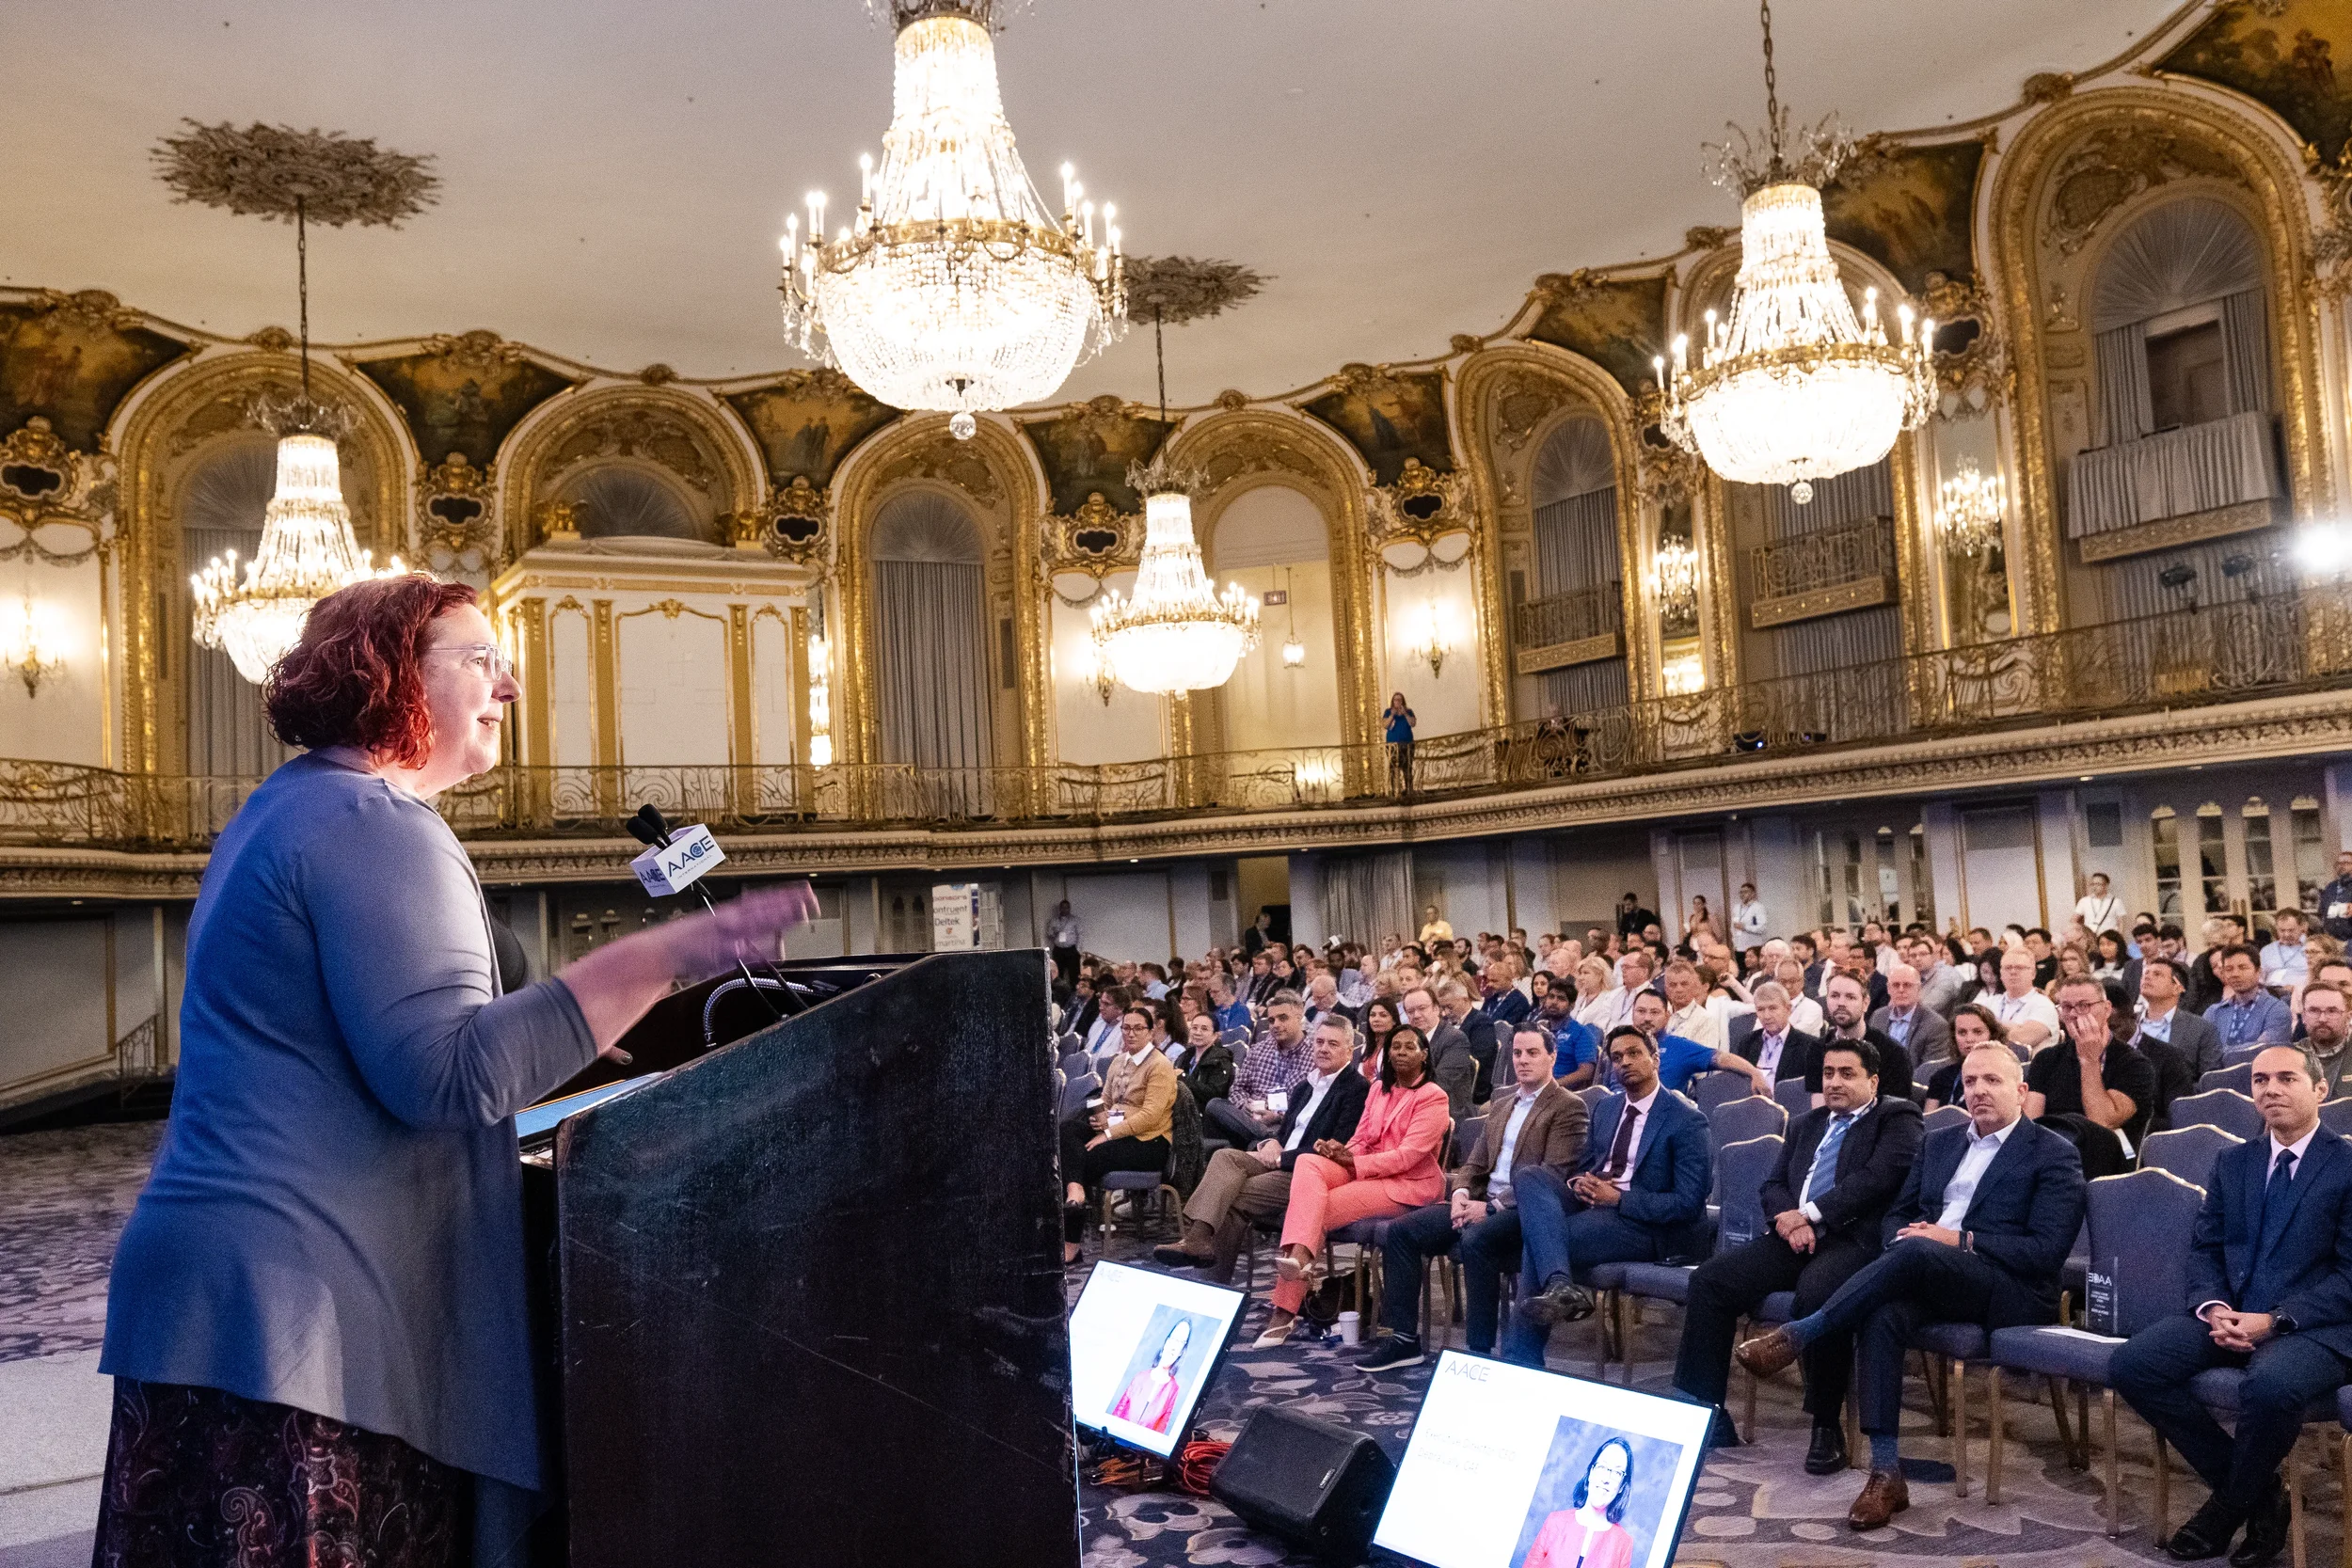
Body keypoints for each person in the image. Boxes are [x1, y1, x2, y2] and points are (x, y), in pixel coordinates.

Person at [93, 577, 820, 1567]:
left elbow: (353, 1053)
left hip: (229, 1304)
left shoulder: (291, 809)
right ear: (390, 673)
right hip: (301, 1316)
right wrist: (674, 952)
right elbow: (446, 1078)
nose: (508, 685)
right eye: (479, 657)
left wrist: (555, 1031)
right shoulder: (373, 822)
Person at [1734, 1046, 2087, 1531]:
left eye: (1993, 1081)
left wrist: (1955, 1239)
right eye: (1970, 1081)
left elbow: (2045, 1252)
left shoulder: (2053, 1153)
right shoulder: (1940, 1143)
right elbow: (1898, 1214)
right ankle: (1886, 1472)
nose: (1979, 1090)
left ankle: (1803, 1332)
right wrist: (1903, 1239)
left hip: (2007, 1285)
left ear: (2022, 1092)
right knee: (1884, 1313)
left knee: (1917, 1252)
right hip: (1923, 1270)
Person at [2110, 1044, 2352, 1568]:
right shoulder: (2235, 1161)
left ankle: (2224, 1510)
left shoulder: (2347, 1164)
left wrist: (2275, 1321)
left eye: (2286, 1078)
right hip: (2235, 1311)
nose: (2270, 1089)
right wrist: (2215, 1308)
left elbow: (2350, 1276)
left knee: (2268, 1386)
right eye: (2260, 1079)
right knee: (2135, 1364)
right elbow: (2207, 1247)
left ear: (2320, 1090)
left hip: (2318, 1326)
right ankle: (2259, 1495)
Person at [1673, 1038, 1925, 1467]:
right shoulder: (1808, 1123)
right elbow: (1772, 1185)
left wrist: (1809, 1214)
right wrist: (1789, 1220)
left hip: (1853, 1241)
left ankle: (1825, 1424)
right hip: (1791, 1237)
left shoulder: (1897, 1118)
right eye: (1828, 1074)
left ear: (1873, 1080)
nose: (1835, 1083)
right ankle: (1707, 1411)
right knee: (1710, 1280)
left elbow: (1877, 1180)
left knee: (1817, 1295)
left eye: (1847, 1074)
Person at [1359, 1027, 1590, 1369]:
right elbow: (1474, 1163)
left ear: (1552, 1057)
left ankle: (1479, 1351)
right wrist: (1461, 1195)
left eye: (1532, 1053)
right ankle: (1405, 1339)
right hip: (1478, 1200)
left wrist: (1494, 1207)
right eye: (1517, 1053)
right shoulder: (1502, 1103)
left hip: (1523, 1209)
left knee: (1477, 1238)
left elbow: (1552, 1177)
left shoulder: (1569, 1107)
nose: (1522, 1060)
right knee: (1403, 1231)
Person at [1500, 1028, 1714, 1365]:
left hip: (1645, 1224)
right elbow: (1585, 1166)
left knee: (1540, 1240)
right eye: (1616, 1058)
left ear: (1655, 1060)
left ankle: (1523, 1359)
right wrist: (1579, 1184)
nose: (1625, 1062)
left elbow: (1689, 1203)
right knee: (1531, 1176)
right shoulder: (1607, 1108)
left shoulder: (1686, 1120)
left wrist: (1618, 1199)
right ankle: (1559, 1291)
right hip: (1597, 1206)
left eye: (1634, 1054)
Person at [1255, 1025, 1450, 1347]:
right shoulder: (1377, 1089)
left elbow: (1408, 1157)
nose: (1400, 1052)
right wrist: (1342, 1151)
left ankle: (1284, 1311)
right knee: (1308, 1163)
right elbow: (1361, 1137)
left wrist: (1353, 1163)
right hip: (1366, 1170)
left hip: (1407, 1184)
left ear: (1424, 1054)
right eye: (1395, 1047)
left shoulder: (1433, 1097)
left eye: (1408, 1047)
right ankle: (1300, 1262)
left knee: (1318, 1207)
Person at [1158, 1017, 1368, 1281]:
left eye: (1333, 1044)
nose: (1323, 1048)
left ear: (1349, 1050)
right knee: (1225, 1156)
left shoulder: (1357, 1089)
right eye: (1319, 1042)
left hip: (1308, 1174)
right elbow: (1285, 1132)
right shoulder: (1306, 1085)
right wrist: (1270, 1143)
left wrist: (1282, 1158)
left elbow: (1336, 1149)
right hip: (1282, 1157)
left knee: (1231, 1196)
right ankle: (1198, 1240)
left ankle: (1211, 1279)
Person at [1061, 1006, 1181, 1263]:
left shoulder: (1160, 1065)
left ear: (1151, 1032)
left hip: (1149, 1142)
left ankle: (1071, 1242)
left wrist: (1109, 1133)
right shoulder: (1119, 1060)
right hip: (1117, 1132)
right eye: (1126, 1028)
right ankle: (1075, 1190)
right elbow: (1106, 1099)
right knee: (1067, 1130)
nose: (1131, 1033)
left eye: (1139, 1028)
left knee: (1082, 1157)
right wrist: (1099, 1117)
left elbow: (1150, 1116)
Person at [2026, 974, 2158, 1176]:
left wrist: (2089, 1061)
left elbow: (2101, 1122)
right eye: (2066, 1007)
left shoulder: (2135, 1064)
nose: (2074, 1014)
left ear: (2106, 1009)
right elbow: (2031, 1124)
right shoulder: (2047, 1059)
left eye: (2084, 1005)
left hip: (2106, 1162)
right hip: (2051, 1155)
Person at [1208, 990, 1313, 1147]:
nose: (1276, 1025)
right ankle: (1266, 1138)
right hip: (1249, 1120)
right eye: (1271, 1020)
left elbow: (1311, 1104)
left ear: (1299, 1017)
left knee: (1250, 1142)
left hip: (1286, 1123)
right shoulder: (1258, 1051)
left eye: (1283, 1018)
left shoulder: (1314, 1055)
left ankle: (1262, 1140)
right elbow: (1238, 1089)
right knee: (1215, 1105)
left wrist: (1278, 1116)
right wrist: (1245, 1105)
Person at [1521, 1437, 1637, 1568]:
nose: (1606, 1478)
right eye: (1602, 1467)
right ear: (1591, 1473)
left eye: (1617, 1472)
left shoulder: (1624, 1543)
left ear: (1622, 1486)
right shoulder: (1555, 1522)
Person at [1403, 984, 1477, 1118]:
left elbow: (1441, 1082)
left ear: (1436, 1009)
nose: (1416, 1015)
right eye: (1410, 1011)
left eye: (1422, 1008)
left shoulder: (1455, 1039)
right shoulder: (1406, 1039)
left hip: (1447, 1113)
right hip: (1412, 1110)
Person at [1727, 981, 1820, 1087]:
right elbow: (1738, 1084)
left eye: (1772, 1008)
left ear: (1788, 1009)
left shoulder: (1809, 1046)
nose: (1766, 1016)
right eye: (1761, 1009)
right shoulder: (1747, 1042)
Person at [1110, 1319, 1191, 1435]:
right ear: (1166, 1341)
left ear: (1181, 1352)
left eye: (1181, 1342)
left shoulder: (1174, 1388)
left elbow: (1162, 1425)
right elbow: (1119, 1409)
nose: (1174, 1346)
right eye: (1174, 1339)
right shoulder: (1140, 1377)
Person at [2208, 944, 2295, 1053]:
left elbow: (2262, 1050)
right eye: (2229, 969)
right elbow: (2203, 1052)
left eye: (2243, 967)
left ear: (2258, 971)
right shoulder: (2214, 1012)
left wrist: (2219, 1053)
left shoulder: (2277, 1010)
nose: (2235, 974)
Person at [1871, 961, 1953, 1069]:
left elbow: (1929, 1072)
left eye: (1907, 985)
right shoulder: (1878, 1016)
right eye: (1896, 985)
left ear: (1918, 989)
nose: (1901, 990)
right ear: (1888, 989)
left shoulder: (1936, 1025)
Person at [1923, 1004, 2008, 1109]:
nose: (1969, 1039)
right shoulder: (1941, 1077)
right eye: (1962, 1033)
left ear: (1992, 1035)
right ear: (1954, 1037)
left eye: (1977, 1032)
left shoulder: (2006, 1075)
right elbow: (1930, 1122)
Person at [1436, 976, 1500, 1106]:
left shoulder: (1481, 1022)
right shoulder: (1447, 1023)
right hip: (1454, 1078)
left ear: (1465, 1000)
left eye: (1450, 1007)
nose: (1446, 1012)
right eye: (1443, 1008)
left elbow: (1478, 1059)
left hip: (1474, 1086)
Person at [1989, 946, 2060, 1049]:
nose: (2013, 972)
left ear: (2033, 973)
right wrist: (2012, 1027)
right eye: (2008, 968)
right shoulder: (1990, 1002)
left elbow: (2022, 1040)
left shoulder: (2043, 1005)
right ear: (2001, 974)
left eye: (2019, 967)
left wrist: (1990, 1026)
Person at [1168, 1012, 1236, 1107]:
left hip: (1203, 1114)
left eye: (1204, 1029)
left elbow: (1214, 1095)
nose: (1198, 1032)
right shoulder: (1185, 1055)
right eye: (1194, 1028)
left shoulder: (1221, 1060)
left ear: (1215, 1035)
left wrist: (1183, 1077)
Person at [2298, 981, 2351, 1097]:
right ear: (2303, 1017)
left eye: (2332, 1011)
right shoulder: (2290, 1056)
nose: (2322, 1019)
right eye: (2314, 1010)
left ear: (2348, 1017)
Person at [1359, 995, 1401, 1084]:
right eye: (1372, 1015)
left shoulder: (1399, 1047)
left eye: (1383, 1015)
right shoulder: (1366, 1046)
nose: (1376, 1019)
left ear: (1394, 1020)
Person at [2074, 873, 2124, 940]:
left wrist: (2119, 938)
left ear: (2105, 885)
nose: (2094, 887)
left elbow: (2121, 923)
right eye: (2092, 884)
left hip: (2109, 939)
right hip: (2090, 939)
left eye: (2098, 884)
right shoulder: (2084, 901)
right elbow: (2073, 920)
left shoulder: (2116, 902)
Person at [1045, 899, 1083, 988]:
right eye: (1063, 907)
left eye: (1067, 908)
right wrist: (1054, 930)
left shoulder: (1075, 920)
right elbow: (1049, 933)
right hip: (1059, 949)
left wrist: (1078, 950)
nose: (1065, 909)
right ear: (1060, 908)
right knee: (1058, 973)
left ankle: (1074, 993)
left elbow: (1080, 935)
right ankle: (1059, 992)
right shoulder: (1054, 920)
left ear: (1069, 908)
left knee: (1074, 974)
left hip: (1071, 949)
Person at [1386, 693, 1418, 794]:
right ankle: (1395, 791)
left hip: (1407, 744)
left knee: (1407, 767)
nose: (1398, 702)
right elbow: (1384, 725)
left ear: (1403, 701)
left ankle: (1409, 790)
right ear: (1393, 701)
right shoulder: (1388, 712)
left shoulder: (1409, 711)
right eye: (1396, 700)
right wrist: (1392, 715)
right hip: (1392, 745)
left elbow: (1413, 723)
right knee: (1393, 768)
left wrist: (1405, 714)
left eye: (1400, 700)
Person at [2321, 852, 2352, 943]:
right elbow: (2323, 910)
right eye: (2339, 863)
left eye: (2346, 863)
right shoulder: (2331, 887)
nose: (2341, 866)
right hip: (2333, 939)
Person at [1731, 882, 1769, 956]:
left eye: (1745, 892)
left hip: (1754, 948)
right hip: (1739, 948)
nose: (1742, 894)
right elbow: (1733, 928)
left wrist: (1745, 927)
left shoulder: (1758, 907)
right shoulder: (1736, 908)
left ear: (1753, 894)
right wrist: (1735, 944)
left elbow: (1762, 928)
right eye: (1741, 892)